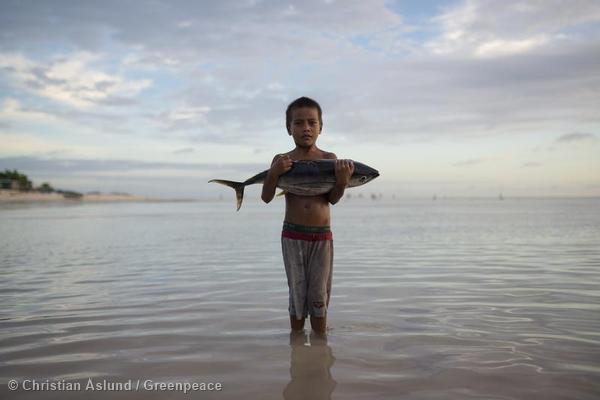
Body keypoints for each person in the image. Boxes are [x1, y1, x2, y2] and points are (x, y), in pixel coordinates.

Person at [261, 96, 354, 334]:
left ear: (321, 127)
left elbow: (332, 199)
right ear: (289, 128)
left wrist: (342, 181)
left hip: (321, 237)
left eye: (312, 122)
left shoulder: (330, 159)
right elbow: (266, 196)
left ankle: (319, 350)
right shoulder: (282, 160)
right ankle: (297, 343)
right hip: (292, 235)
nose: (306, 128)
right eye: (299, 123)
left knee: (318, 294)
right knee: (297, 292)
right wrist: (273, 173)